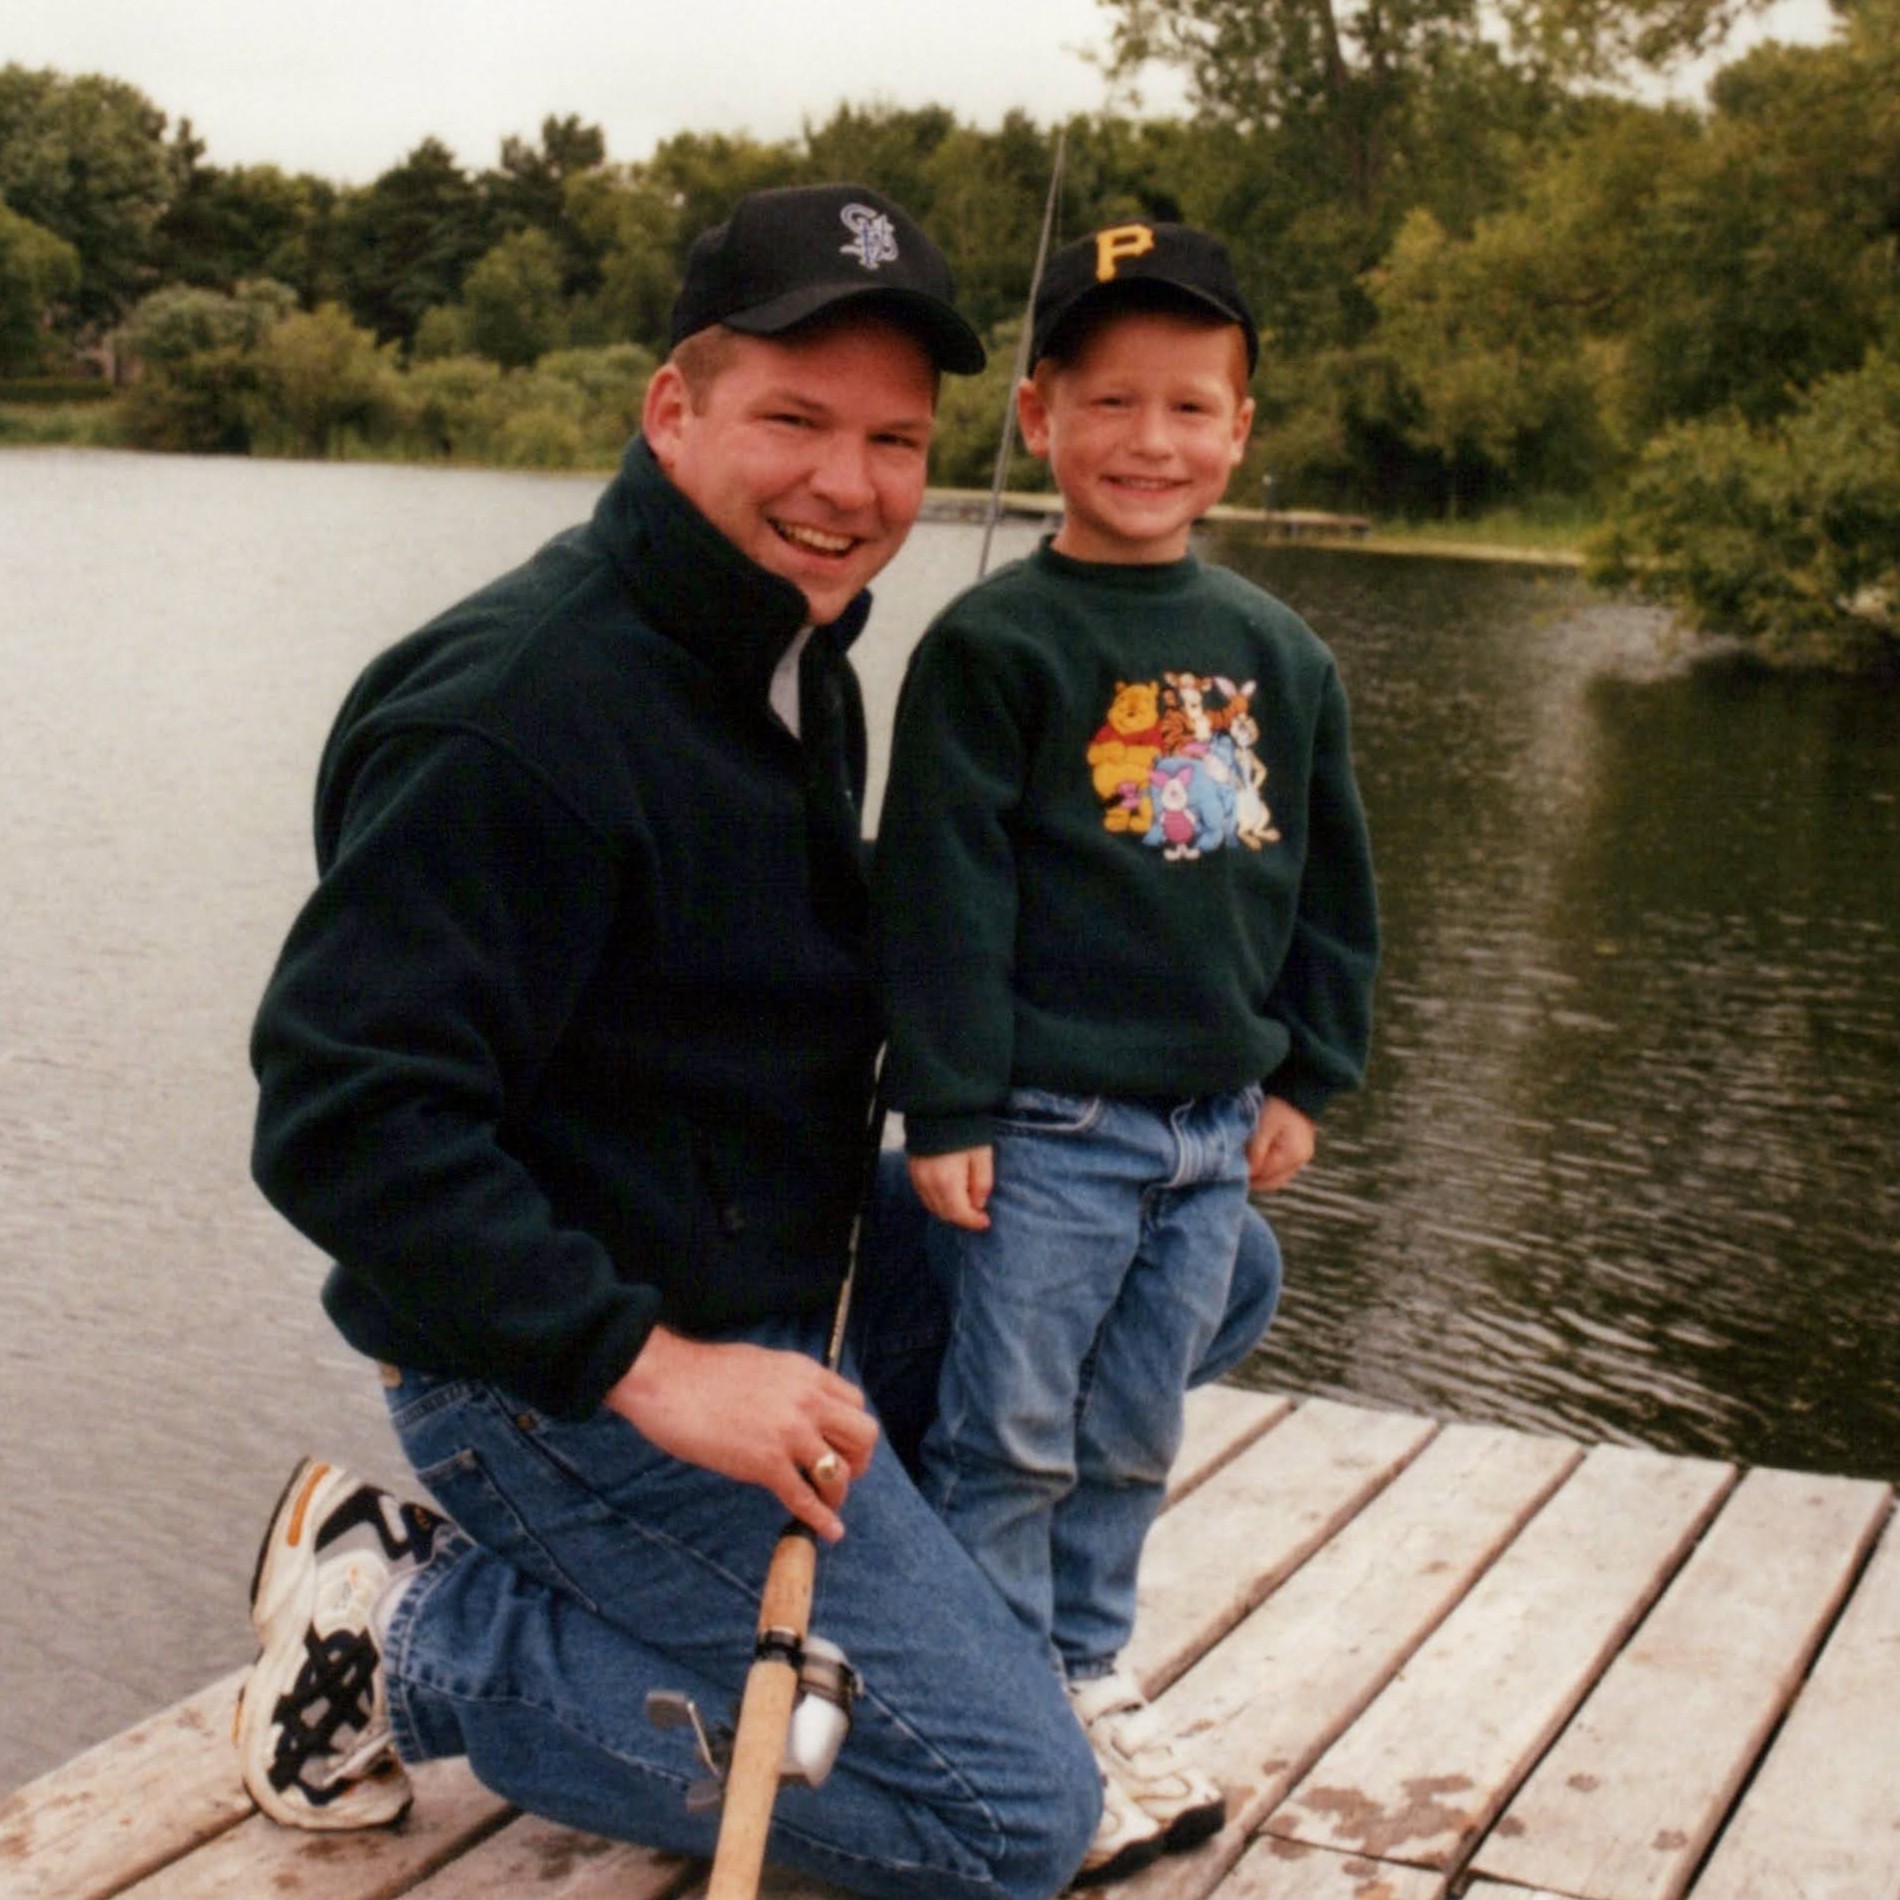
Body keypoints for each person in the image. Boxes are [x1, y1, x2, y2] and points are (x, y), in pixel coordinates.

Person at [237, 184, 1287, 1900]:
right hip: (563, 1364)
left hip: (779, 1256)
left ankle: (890, 1608)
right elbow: (343, 1122)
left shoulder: (793, 654)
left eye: (893, 438)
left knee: (1208, 1257)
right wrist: (657, 1369)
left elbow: (795, 962)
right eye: (793, 419)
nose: (849, 485)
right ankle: (412, 1626)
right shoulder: (515, 717)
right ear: (675, 408)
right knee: (1008, 1819)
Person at [872, 222, 1379, 1882]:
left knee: (1133, 1427)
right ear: (1037, 420)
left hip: (1209, 1125)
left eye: (1187, 408)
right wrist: (945, 1096)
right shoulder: (996, 648)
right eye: (1109, 404)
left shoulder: (1278, 655)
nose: (1147, 443)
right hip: (1048, 1121)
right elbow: (939, 893)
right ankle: (997, 1681)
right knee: (1009, 1425)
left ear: (1240, 433)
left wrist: (1306, 1072)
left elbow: (1332, 883)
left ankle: (1087, 1663)